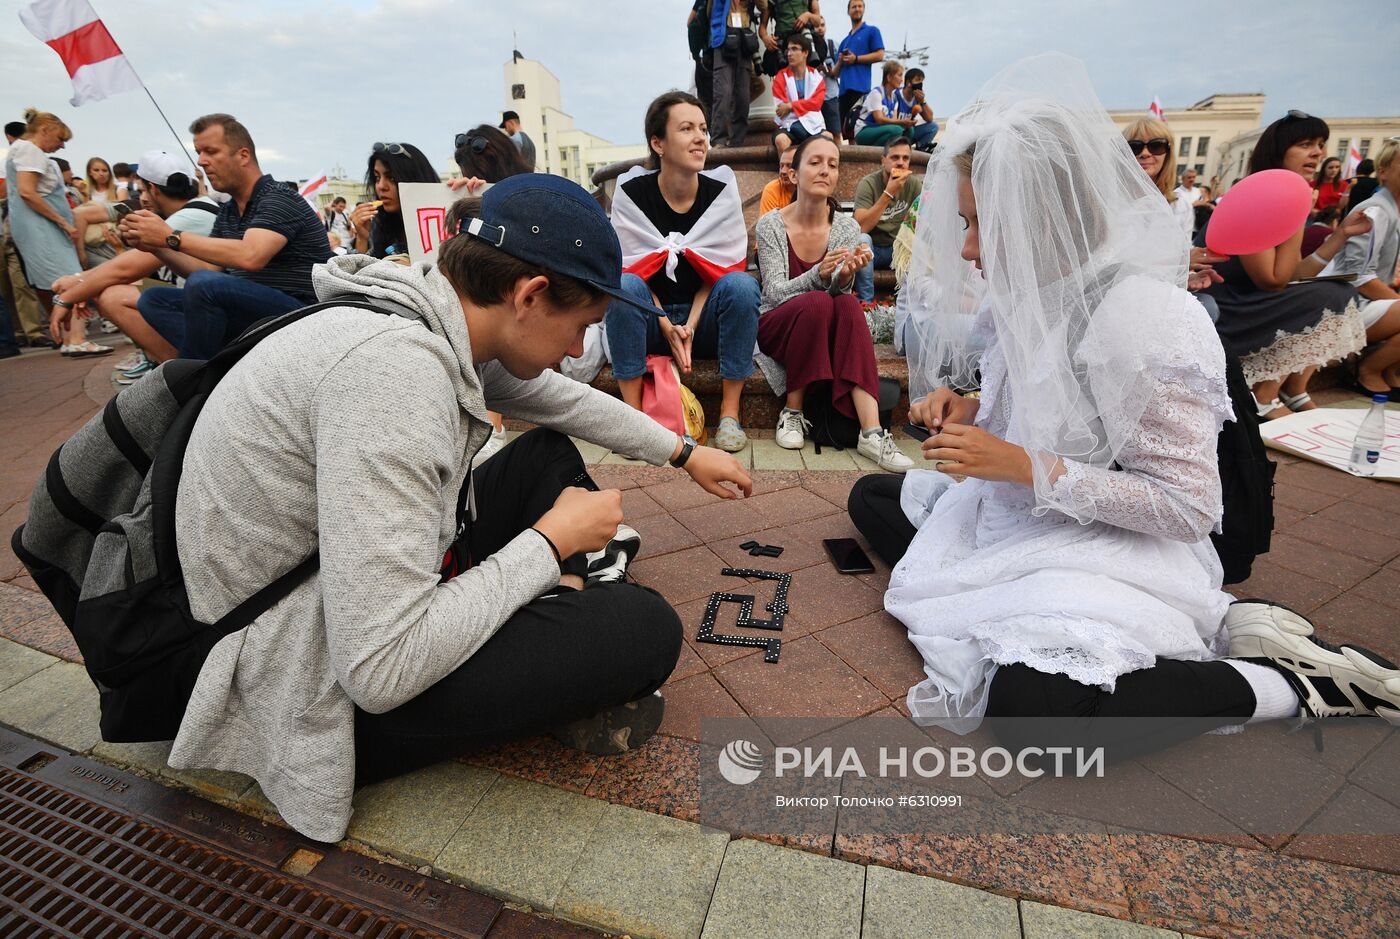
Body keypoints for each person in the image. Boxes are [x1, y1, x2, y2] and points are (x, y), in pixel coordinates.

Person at [158, 172, 753, 843]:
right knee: (643, 629)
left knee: (544, 453)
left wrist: (682, 452)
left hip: (323, 591)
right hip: (285, 673)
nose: (576, 351)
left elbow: (560, 400)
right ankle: (566, 603)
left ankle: (561, 603)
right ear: (529, 295)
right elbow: (379, 668)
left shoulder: (424, 312)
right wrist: (549, 546)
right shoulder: (395, 377)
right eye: (581, 327)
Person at [850, 53, 1400, 765]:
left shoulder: (1141, 318)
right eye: (965, 223)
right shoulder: (1027, 296)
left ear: (1043, 220)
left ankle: (1287, 685)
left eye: (982, 223)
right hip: (1031, 513)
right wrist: (974, 406)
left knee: (1040, 716)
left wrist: (1021, 465)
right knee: (874, 499)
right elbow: (1047, 401)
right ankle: (1044, 606)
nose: (971, 248)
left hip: (1117, 538)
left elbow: (1188, 507)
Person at [606, 91, 760, 454]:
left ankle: (730, 415)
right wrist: (665, 325)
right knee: (623, 285)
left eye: (703, 129)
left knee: (741, 286)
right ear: (658, 143)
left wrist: (689, 325)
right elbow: (631, 266)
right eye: (687, 128)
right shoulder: (633, 193)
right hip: (650, 321)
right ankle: (633, 421)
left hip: (702, 322)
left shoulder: (719, 193)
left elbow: (720, 267)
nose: (700, 138)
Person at [754, 134, 912, 471]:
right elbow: (774, 294)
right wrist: (818, 275)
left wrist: (844, 277)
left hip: (824, 328)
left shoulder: (846, 227)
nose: (825, 170)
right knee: (817, 302)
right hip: (777, 327)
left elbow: (839, 293)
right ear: (794, 174)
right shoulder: (771, 225)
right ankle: (792, 412)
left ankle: (872, 432)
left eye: (833, 164)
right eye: (815, 162)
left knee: (848, 305)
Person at [1197, 112, 1370, 418]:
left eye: (1320, 145)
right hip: (1220, 304)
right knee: (1331, 296)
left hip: (1243, 300)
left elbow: (1294, 274)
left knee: (1337, 290)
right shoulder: (1257, 194)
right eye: (1305, 144)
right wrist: (1299, 212)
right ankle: (1264, 396)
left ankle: (1286, 391)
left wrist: (1340, 235)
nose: (1317, 153)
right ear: (1278, 151)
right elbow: (1273, 280)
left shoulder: (1279, 193)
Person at [122, 113, 333, 360]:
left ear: (243, 155)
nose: (201, 161)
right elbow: (205, 269)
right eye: (199, 152)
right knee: (153, 299)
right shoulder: (228, 211)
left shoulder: (278, 198)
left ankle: (197, 374)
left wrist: (170, 236)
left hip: (300, 314)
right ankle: (218, 362)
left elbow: (252, 256)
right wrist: (156, 246)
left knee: (204, 285)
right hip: (252, 313)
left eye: (211, 152)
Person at [49, 151, 220, 382]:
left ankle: (184, 374)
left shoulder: (189, 216)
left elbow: (126, 268)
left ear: (153, 189)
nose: (141, 198)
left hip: (210, 307)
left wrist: (69, 294)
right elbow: (125, 266)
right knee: (109, 286)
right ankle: (160, 361)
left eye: (141, 191)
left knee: (113, 296)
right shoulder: (191, 209)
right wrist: (81, 281)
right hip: (203, 299)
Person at [452, 124, 536, 465]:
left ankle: (490, 423)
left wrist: (481, 206)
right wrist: (458, 205)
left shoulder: (532, 196)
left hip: (511, 297)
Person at [7, 108, 108, 356]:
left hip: (36, 230)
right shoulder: (30, 150)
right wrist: (64, 223)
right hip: (44, 230)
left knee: (59, 282)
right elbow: (27, 192)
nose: (62, 146)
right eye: (60, 139)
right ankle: (77, 339)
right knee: (72, 280)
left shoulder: (20, 149)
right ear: (45, 130)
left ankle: (69, 339)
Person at [1322, 139, 1400, 398]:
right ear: (1383, 171)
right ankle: (1368, 370)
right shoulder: (1375, 210)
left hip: (1364, 299)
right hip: (1346, 302)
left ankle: (1387, 369)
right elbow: (1358, 276)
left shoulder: (1392, 210)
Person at [852, 135, 920, 302]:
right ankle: (866, 304)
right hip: (873, 250)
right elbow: (860, 228)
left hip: (897, 250)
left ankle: (907, 303)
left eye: (905, 158)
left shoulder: (914, 185)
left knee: (919, 244)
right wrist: (888, 193)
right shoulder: (868, 184)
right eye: (895, 157)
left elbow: (923, 225)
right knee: (862, 240)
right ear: (883, 160)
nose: (901, 163)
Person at [348, 142, 439, 260]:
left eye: (391, 177)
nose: (381, 186)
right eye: (377, 178)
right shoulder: (379, 224)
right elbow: (357, 271)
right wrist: (362, 238)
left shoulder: (442, 222)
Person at [701, 0, 765, 149]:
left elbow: (763, 6)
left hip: (743, 40)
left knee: (743, 96)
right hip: (723, 40)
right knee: (723, 92)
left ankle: (738, 140)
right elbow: (709, 13)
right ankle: (719, 140)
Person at [832, 0, 884, 139]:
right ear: (848, 11)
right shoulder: (844, 41)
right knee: (845, 131)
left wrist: (856, 59)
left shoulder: (872, 31)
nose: (857, 9)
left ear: (864, 9)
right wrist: (840, 61)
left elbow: (880, 55)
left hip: (860, 89)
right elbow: (835, 73)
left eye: (860, 6)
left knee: (857, 130)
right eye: (853, 7)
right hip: (843, 92)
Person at [771, 31, 827, 153]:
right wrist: (804, 106)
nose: (789, 53)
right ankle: (786, 166)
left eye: (794, 49)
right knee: (781, 140)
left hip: (813, 124)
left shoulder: (816, 77)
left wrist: (791, 106)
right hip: (789, 125)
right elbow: (781, 109)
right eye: (788, 50)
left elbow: (816, 104)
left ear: (805, 53)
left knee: (828, 137)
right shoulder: (780, 77)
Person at [852, 60, 913, 148]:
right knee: (896, 130)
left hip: (881, 130)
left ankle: (899, 151)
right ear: (889, 77)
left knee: (909, 130)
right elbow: (879, 119)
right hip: (864, 130)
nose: (901, 79)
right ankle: (875, 152)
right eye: (899, 75)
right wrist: (902, 121)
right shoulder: (877, 93)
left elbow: (894, 121)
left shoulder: (894, 98)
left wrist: (906, 123)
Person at [760, 0, 819, 75]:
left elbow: (817, 21)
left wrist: (808, 15)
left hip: (804, 41)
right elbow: (762, 26)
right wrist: (765, 38)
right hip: (783, 43)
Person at [811, 16, 843, 141]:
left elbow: (842, 71)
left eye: (822, 25)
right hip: (812, 97)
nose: (820, 28)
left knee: (835, 132)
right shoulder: (808, 46)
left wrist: (830, 71)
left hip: (830, 95)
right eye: (816, 26)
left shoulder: (832, 45)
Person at [758, 146, 797, 214]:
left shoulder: (812, 189)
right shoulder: (772, 189)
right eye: (781, 166)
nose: (783, 171)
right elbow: (769, 220)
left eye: (789, 166)